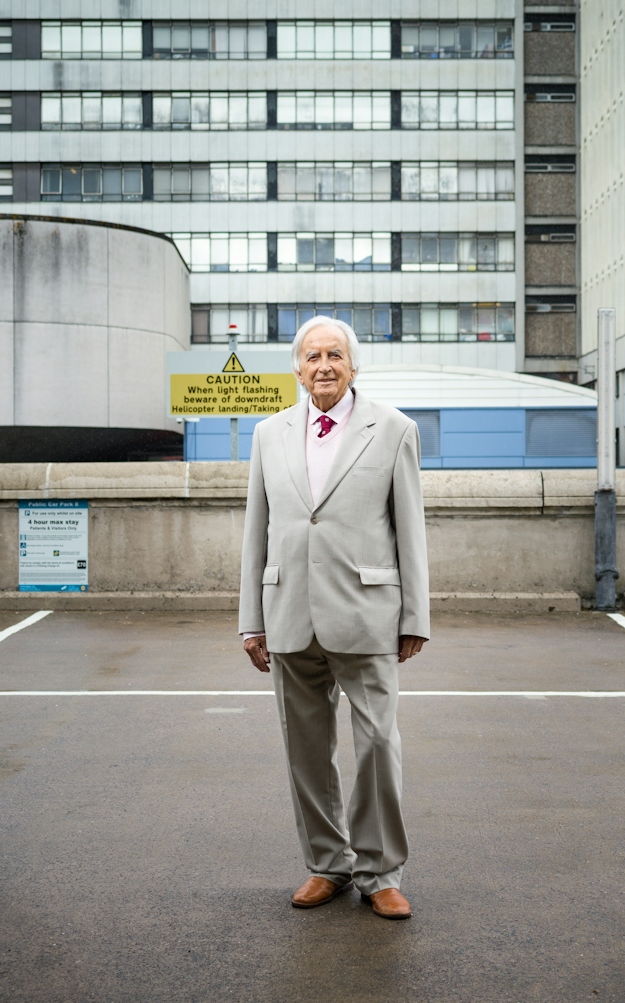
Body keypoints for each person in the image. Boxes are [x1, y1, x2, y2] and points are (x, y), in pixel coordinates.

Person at [239, 316, 429, 920]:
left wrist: (415, 617)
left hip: (368, 613)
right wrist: (252, 618)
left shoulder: (394, 430)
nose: (324, 365)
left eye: (335, 356)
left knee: (378, 745)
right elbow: (256, 532)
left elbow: (410, 531)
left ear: (353, 366)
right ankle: (327, 865)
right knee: (306, 749)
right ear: (297, 368)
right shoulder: (269, 434)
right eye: (312, 356)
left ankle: (380, 872)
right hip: (289, 609)